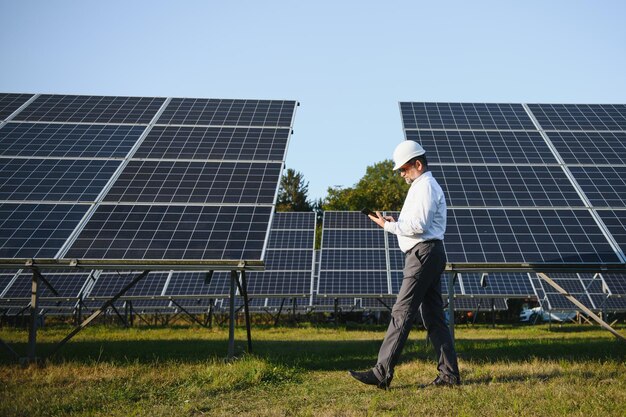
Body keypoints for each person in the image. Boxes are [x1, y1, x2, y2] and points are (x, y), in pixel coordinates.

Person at [348, 140, 460, 389]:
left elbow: (418, 226)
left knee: (402, 312)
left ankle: (381, 373)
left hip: (423, 255)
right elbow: (416, 224)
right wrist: (395, 221)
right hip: (427, 253)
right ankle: (449, 375)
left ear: (418, 164)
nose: (401, 173)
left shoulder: (426, 187)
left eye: (404, 168)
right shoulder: (422, 187)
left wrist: (387, 225)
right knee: (433, 317)